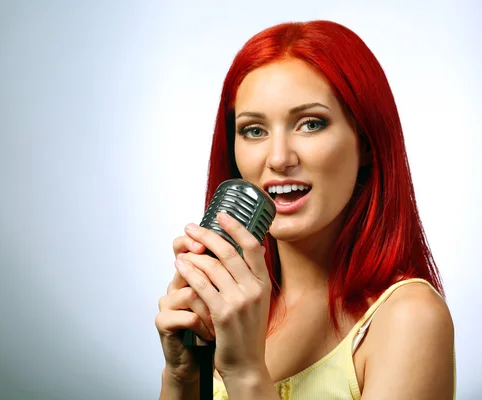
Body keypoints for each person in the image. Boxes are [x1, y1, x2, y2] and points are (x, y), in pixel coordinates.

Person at [155, 20, 456, 400]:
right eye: (253, 130)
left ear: (365, 141)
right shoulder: (230, 310)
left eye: (310, 124)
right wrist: (183, 377)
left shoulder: (410, 318)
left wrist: (246, 373)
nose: (279, 158)